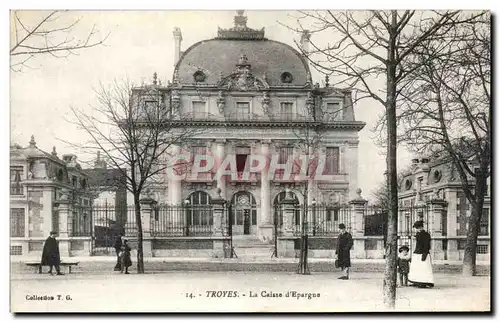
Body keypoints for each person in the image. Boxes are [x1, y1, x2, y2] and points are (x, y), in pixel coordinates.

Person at [408, 220, 434, 288]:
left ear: (422, 227)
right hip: (417, 253)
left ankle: (423, 283)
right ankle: (416, 282)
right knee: (417, 268)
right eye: (417, 228)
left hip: (422, 253)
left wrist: (425, 254)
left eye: (419, 228)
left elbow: (427, 245)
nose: (418, 229)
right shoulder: (418, 234)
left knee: (423, 268)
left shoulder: (426, 235)